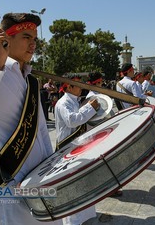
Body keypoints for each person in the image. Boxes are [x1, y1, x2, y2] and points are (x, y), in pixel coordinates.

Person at [0, 13, 61, 224]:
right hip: (10, 178)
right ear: (6, 38)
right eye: (26, 37)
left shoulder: (32, 81)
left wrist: (52, 168)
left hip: (39, 178)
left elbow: (42, 131)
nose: (33, 44)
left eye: (34, 39)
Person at [54, 74, 99, 225]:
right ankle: (72, 220)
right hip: (67, 150)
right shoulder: (63, 104)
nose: (81, 88)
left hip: (78, 147)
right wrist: (89, 108)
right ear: (68, 87)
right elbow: (73, 121)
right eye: (77, 85)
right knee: (72, 184)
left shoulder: (75, 101)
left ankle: (84, 215)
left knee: (83, 181)